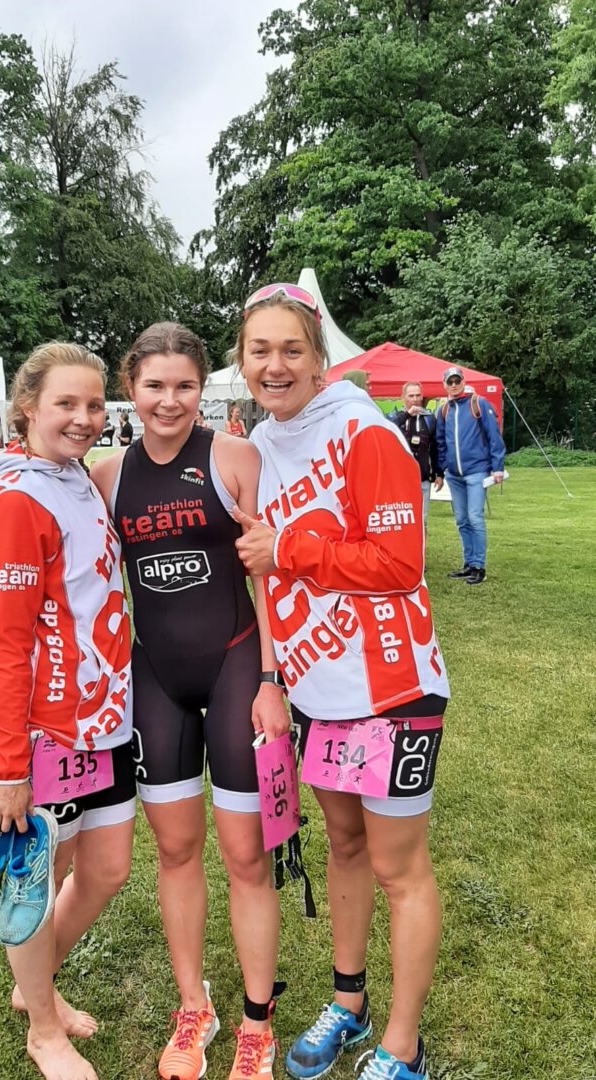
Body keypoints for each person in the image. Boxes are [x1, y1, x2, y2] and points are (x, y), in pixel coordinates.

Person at [231, 283, 450, 1080]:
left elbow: (400, 565)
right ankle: (349, 1001)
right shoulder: (262, 442)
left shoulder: (366, 432)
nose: (276, 365)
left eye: (292, 349)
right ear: (243, 360)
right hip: (319, 693)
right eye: (261, 351)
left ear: (321, 359)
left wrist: (288, 552)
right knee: (346, 847)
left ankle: (403, 1045)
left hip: (392, 689)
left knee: (400, 867)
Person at [92, 322, 288, 1080]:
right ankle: (193, 1006)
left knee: (245, 855)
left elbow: (267, 576)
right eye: (153, 385)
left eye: (183, 386)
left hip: (239, 669)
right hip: (158, 681)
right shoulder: (106, 476)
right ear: (130, 387)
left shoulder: (234, 457)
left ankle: (256, 1024)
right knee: (175, 850)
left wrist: (273, 681)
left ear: (201, 388)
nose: (168, 400)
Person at [0, 341, 136, 1080]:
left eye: (95, 405)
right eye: (66, 403)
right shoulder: (17, 498)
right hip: (47, 733)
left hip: (107, 719)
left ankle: (35, 983)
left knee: (105, 869)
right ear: (27, 406)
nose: (83, 418)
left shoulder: (75, 480)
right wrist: (8, 767)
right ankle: (43, 1026)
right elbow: (6, 646)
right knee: (42, 876)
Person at [435, 366, 506, 585]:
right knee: (462, 520)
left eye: (457, 380)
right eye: (450, 381)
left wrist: (497, 467)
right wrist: (443, 468)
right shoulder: (444, 409)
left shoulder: (478, 403)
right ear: (445, 385)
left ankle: (479, 566)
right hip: (455, 475)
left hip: (476, 472)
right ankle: (469, 564)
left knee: (475, 517)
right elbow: (440, 441)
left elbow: (494, 436)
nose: (454, 385)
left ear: (463, 381)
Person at [391, 382, 444, 527]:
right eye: (411, 396)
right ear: (403, 397)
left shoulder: (429, 419)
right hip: (399, 480)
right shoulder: (395, 417)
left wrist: (439, 473)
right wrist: (407, 415)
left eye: (418, 395)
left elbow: (435, 447)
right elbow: (387, 428)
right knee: (401, 521)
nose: (414, 399)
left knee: (422, 521)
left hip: (422, 478)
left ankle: (421, 550)